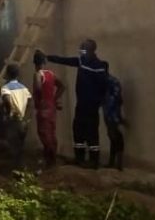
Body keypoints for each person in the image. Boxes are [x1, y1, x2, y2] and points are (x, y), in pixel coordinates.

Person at [46, 40, 109, 169]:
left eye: (83, 48)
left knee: (87, 131)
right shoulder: (90, 64)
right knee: (82, 130)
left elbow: (103, 85)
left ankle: (90, 160)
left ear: (90, 50)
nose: (81, 50)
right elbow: (65, 60)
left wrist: (99, 100)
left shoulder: (93, 65)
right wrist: (48, 57)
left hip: (89, 105)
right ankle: (84, 159)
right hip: (85, 105)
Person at [0, 64, 32, 175]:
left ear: (7, 74)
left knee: (12, 149)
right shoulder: (24, 88)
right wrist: (27, 119)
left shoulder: (6, 88)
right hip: (23, 122)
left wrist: (11, 113)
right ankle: (21, 174)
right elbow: (30, 103)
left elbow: (7, 100)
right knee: (20, 148)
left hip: (14, 121)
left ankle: (13, 174)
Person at [33, 51, 66, 168]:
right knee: (51, 133)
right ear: (45, 62)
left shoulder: (38, 74)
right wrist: (54, 98)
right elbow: (62, 86)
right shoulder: (51, 74)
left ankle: (50, 162)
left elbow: (37, 87)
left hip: (43, 109)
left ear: (34, 62)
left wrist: (39, 99)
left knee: (44, 134)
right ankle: (51, 161)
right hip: (51, 108)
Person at [103, 73, 125, 170]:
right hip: (110, 113)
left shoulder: (112, 81)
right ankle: (112, 163)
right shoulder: (106, 81)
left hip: (112, 114)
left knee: (115, 136)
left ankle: (118, 164)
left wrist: (113, 113)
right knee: (112, 137)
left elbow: (117, 99)